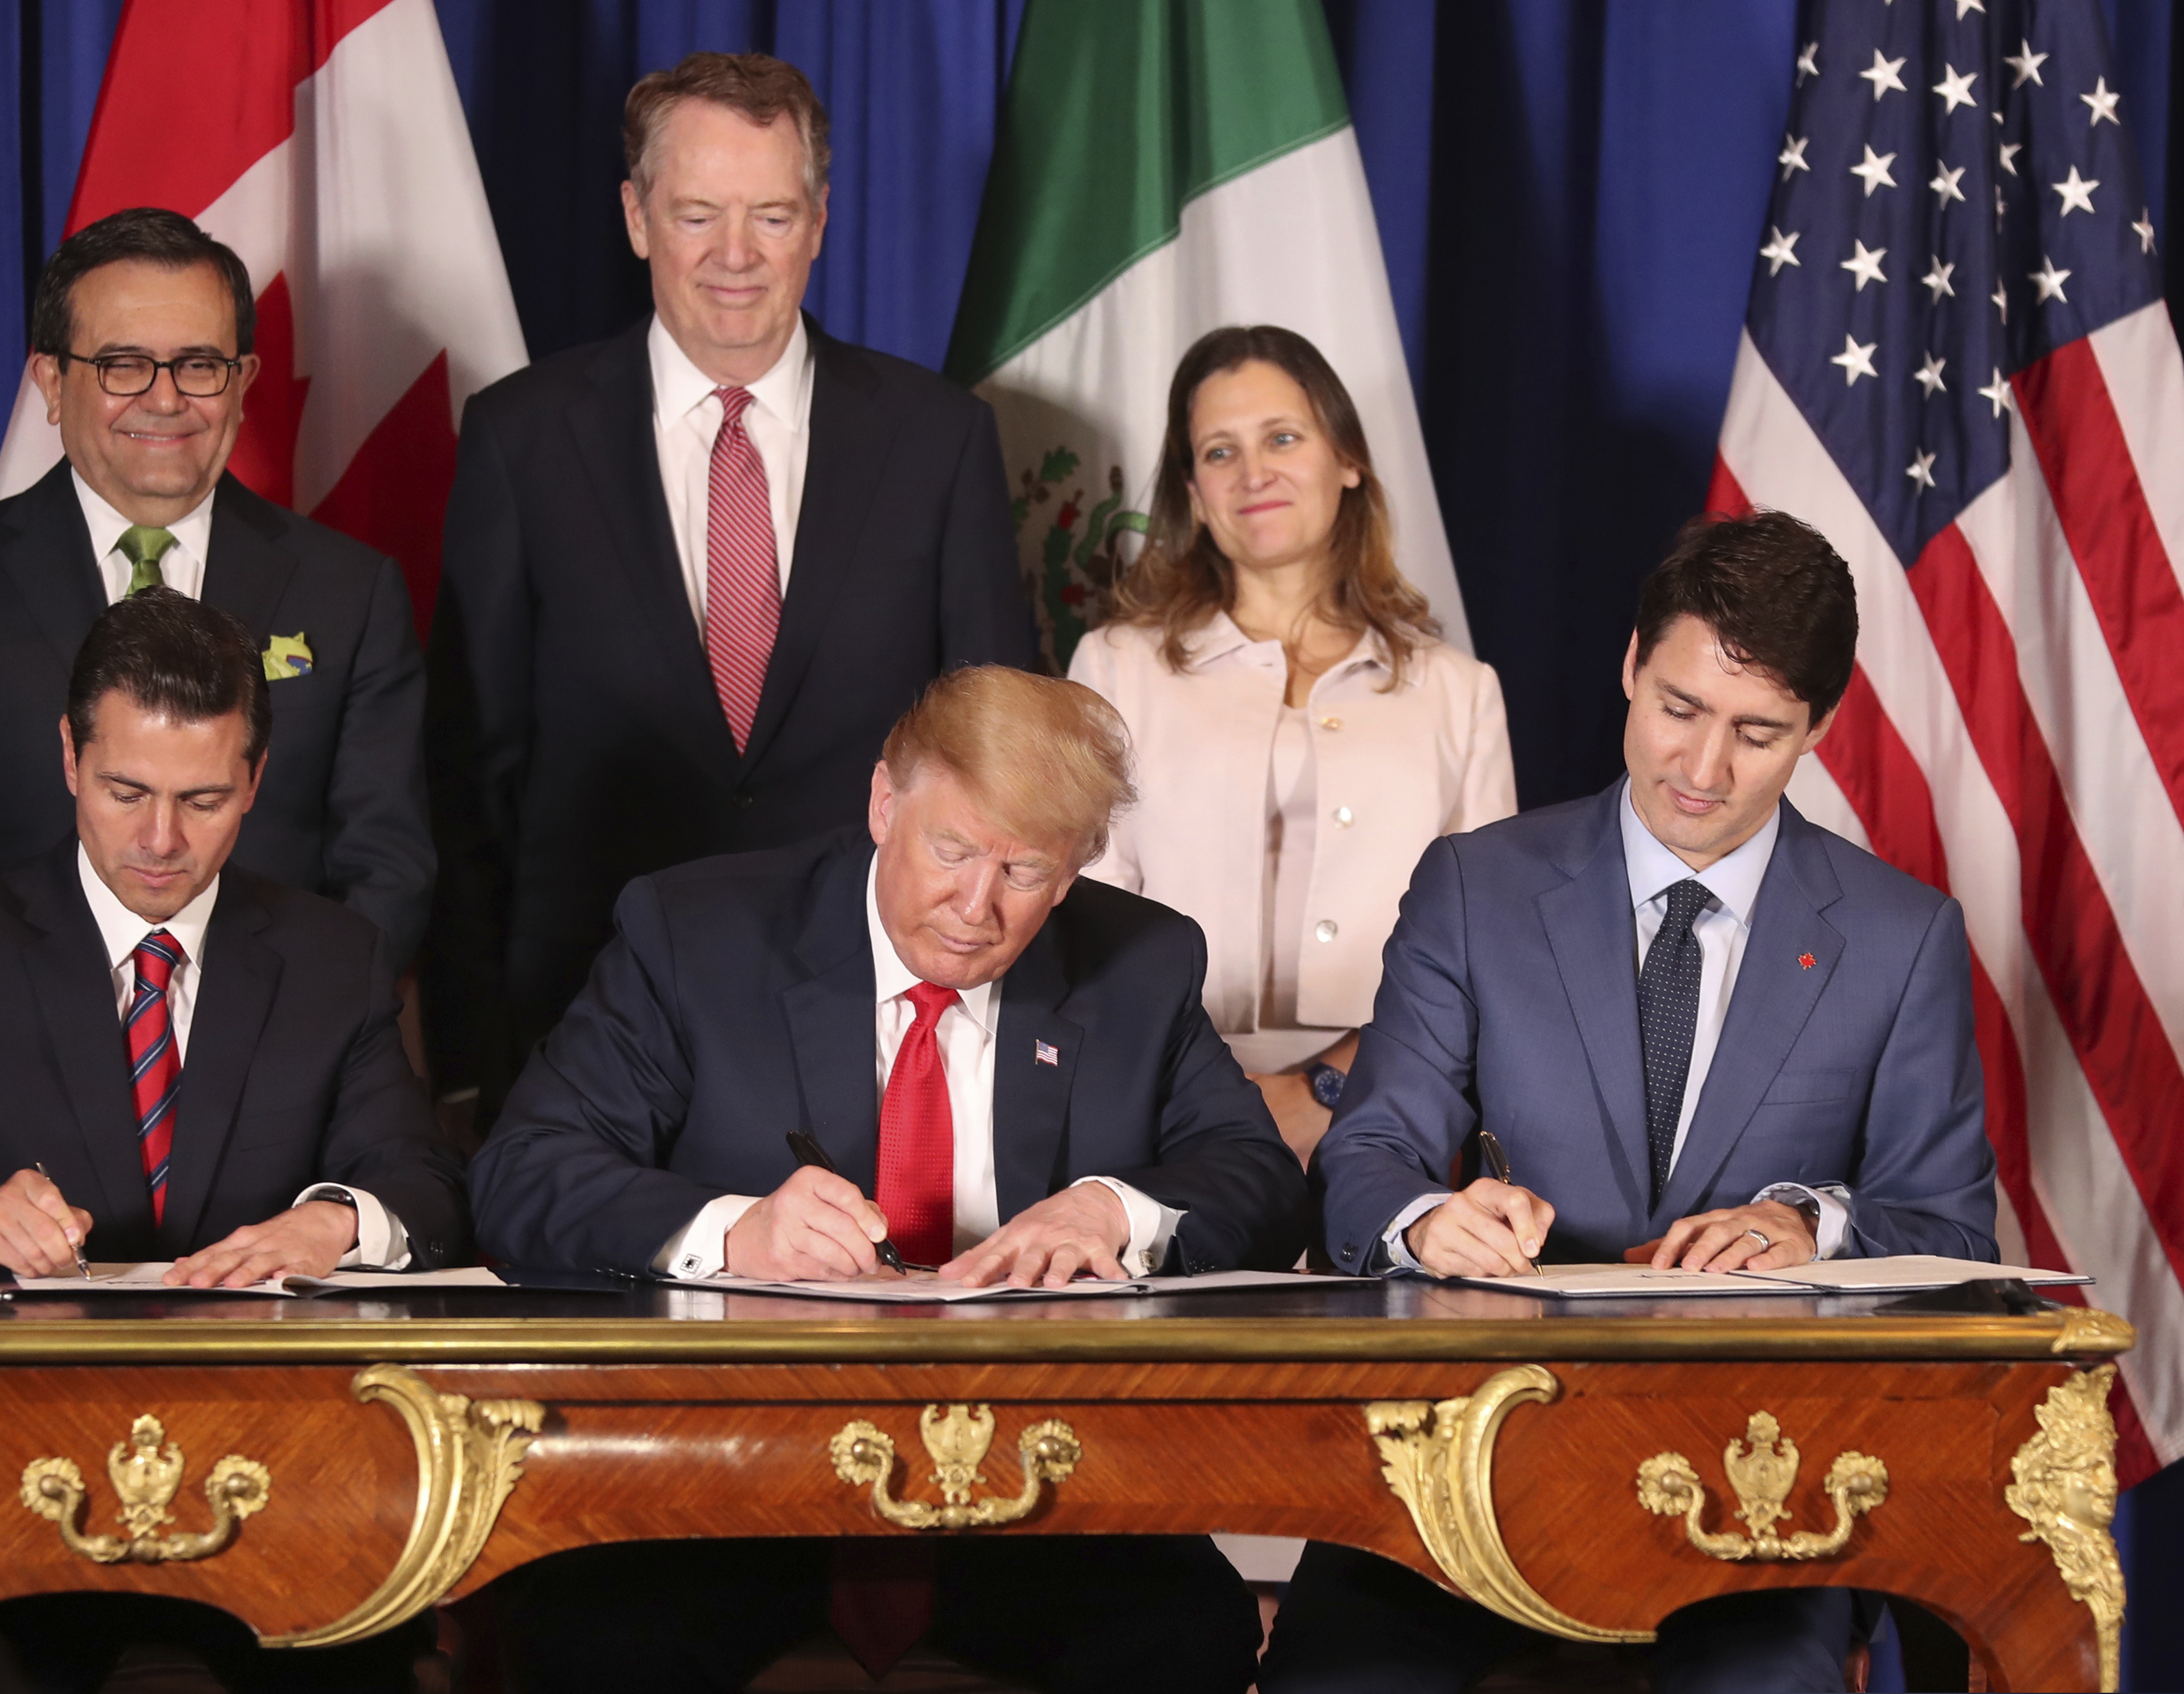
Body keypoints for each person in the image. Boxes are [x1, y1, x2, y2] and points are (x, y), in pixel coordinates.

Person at [1259, 512, 1996, 1694]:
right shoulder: (1475, 887)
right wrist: (1418, 1218)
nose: (1700, 770)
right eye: (1676, 708)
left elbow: (1954, 1235)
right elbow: (1370, 1150)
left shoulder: (1900, 938)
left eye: (1755, 732)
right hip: (1464, 1473)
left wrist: (1813, 1227)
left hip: (1757, 1503)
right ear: (1628, 666)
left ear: (1818, 724)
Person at [471, 666, 1307, 1693]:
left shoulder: (1139, 959)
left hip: (1037, 1491)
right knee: (590, 1640)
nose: (974, 905)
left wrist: (1114, 1206)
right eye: (949, 850)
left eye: (1025, 871)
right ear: (883, 801)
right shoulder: (695, 933)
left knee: (1187, 1635)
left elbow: (1258, 1180)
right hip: (725, 1477)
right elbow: (522, 1169)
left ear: (1078, 864)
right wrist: (733, 1232)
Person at [426, 51, 1036, 1120]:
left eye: (768, 215)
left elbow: (996, 759)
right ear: (634, 215)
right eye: (697, 214)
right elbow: (471, 777)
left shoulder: (937, 440)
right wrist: (478, 1055)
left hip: (870, 1021)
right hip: (582, 1024)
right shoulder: (522, 437)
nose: (734, 256)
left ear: (818, 218)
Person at [0, 588, 467, 1285]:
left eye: (202, 800)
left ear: (255, 781)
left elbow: (429, 1184)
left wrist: (336, 1221)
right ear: (71, 756)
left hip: (257, 1402)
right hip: (7, 1405)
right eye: (126, 792)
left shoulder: (332, 958)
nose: (160, 839)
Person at [0, 207, 434, 970]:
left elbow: (386, 878)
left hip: (280, 1062)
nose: (165, 400)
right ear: (52, 382)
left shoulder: (351, 592)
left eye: (199, 365)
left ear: (243, 381)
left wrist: (279, 1047)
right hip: (9, 1065)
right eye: (123, 365)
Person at [1070, 325, 1514, 1166]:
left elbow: (1479, 952)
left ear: (1346, 459)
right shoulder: (1114, 666)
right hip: (1158, 1102)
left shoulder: (1459, 691)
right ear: (1194, 494)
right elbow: (1086, 921)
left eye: (1281, 437)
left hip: (1392, 1112)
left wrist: (1325, 1087)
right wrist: (1214, 1092)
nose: (1253, 473)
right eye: (1218, 452)